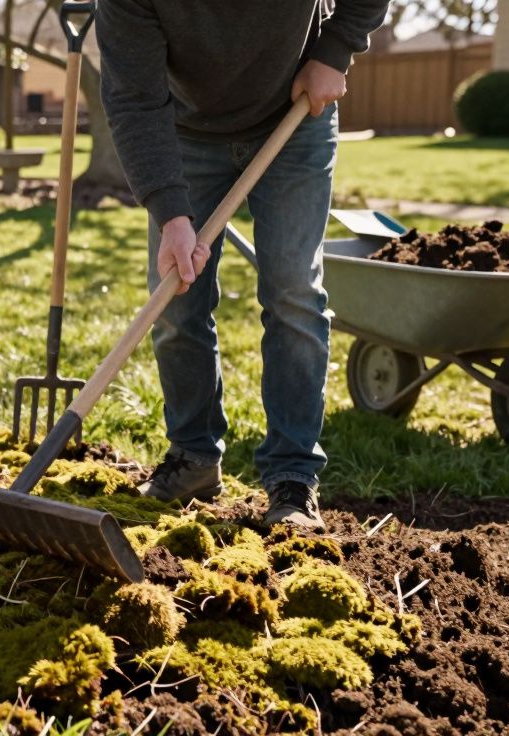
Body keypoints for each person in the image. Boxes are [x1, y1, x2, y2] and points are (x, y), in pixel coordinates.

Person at [97, 0, 390, 531]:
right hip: (183, 135)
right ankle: (193, 458)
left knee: (293, 292)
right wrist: (171, 212)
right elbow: (134, 98)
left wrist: (335, 50)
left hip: (294, 115)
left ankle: (293, 478)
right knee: (176, 296)